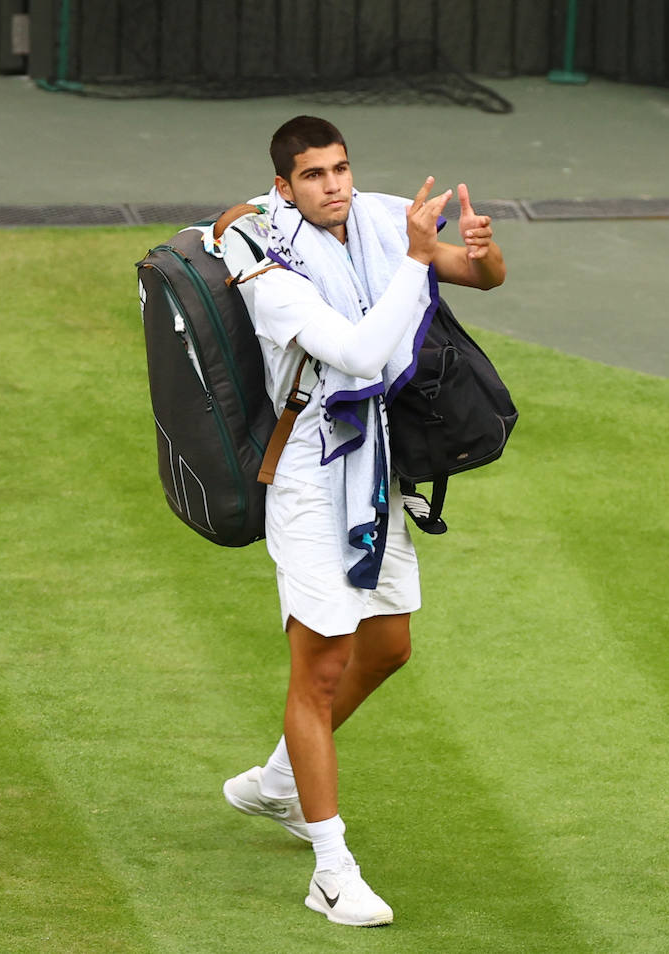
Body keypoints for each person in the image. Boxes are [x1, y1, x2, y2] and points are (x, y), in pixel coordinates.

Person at [220, 115, 506, 928]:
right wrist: (418, 259)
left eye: (340, 168)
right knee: (319, 669)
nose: (334, 185)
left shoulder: (376, 217)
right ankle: (331, 869)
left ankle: (278, 782)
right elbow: (358, 355)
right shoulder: (267, 270)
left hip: (371, 465)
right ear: (284, 188)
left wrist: (478, 247)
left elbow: (483, 278)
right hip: (309, 477)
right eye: (313, 175)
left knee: (388, 645)